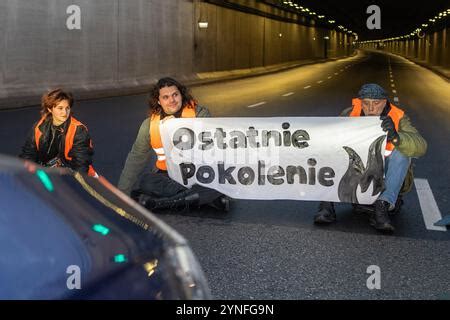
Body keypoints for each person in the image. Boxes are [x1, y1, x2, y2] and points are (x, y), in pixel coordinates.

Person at [313, 83, 427, 232]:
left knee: (402, 153)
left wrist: (396, 137)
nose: (371, 109)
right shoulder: (349, 114)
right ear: (361, 102)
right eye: (366, 104)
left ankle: (382, 206)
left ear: (385, 102)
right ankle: (326, 204)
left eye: (376, 103)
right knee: (332, 149)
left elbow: (421, 146)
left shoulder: (398, 117)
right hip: (357, 172)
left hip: (385, 176)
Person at [118, 77, 229, 212]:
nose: (172, 100)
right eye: (166, 97)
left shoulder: (200, 114)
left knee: (218, 183)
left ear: (181, 95)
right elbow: (136, 158)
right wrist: (121, 193)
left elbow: (212, 147)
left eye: (175, 95)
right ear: (159, 101)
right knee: (147, 181)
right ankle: (199, 198)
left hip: (197, 174)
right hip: (168, 177)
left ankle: (161, 203)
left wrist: (180, 127)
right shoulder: (149, 124)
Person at [19, 88, 96, 176]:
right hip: (47, 173)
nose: (65, 112)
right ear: (50, 109)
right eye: (60, 108)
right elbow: (28, 153)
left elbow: (81, 163)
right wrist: (30, 170)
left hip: (73, 174)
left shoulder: (78, 130)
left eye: (67, 108)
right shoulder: (39, 127)